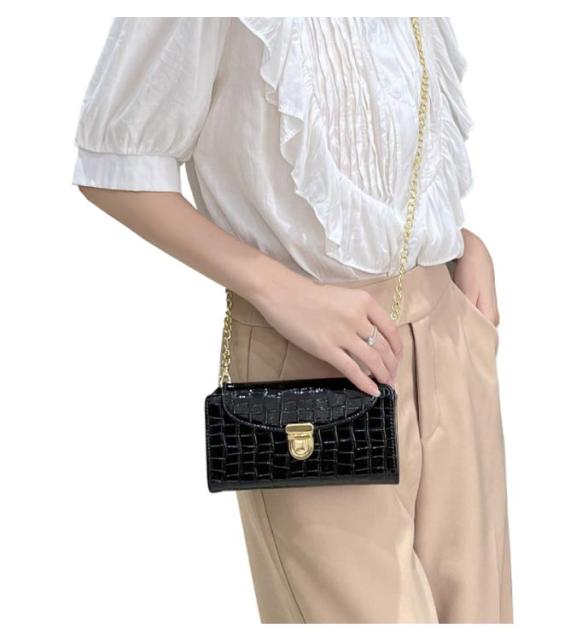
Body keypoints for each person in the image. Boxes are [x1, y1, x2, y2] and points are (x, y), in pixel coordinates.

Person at [71, 17, 512, 624]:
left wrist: (455, 243)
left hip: (448, 335)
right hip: (311, 378)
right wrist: (276, 291)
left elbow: (381, 147)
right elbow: (116, 167)